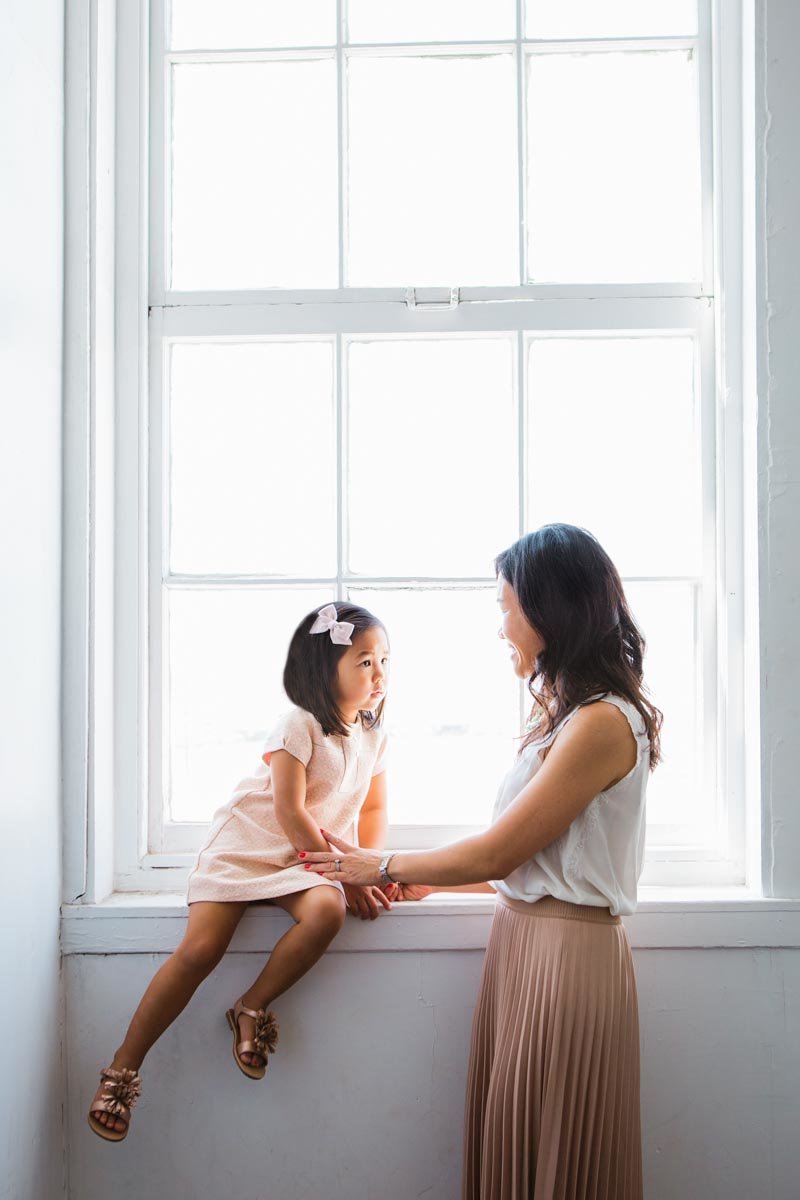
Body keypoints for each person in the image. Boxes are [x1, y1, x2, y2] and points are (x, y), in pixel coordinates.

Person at [300, 525, 661, 1200]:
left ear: (550, 609)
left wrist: (380, 866)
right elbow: (522, 861)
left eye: (506, 608)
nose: (501, 629)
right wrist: (413, 879)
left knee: (557, 1157)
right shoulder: (569, 717)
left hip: (566, 960)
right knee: (521, 1148)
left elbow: (503, 850)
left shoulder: (603, 723)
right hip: (526, 944)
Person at [88, 601, 396, 1142]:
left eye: (384, 661)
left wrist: (367, 868)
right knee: (201, 950)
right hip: (250, 845)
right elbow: (288, 812)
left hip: (306, 859)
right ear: (325, 671)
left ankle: (251, 1006)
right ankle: (124, 1065)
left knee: (326, 912)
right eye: (364, 661)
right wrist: (345, 871)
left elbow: (372, 810)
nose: (379, 674)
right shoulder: (299, 725)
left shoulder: (375, 735)